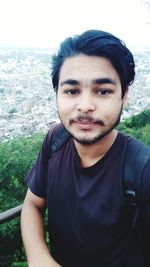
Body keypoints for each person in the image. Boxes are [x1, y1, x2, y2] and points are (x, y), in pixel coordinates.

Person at [21, 29, 150, 267]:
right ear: (56, 94)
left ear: (125, 95)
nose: (85, 106)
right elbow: (32, 204)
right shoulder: (56, 139)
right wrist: (40, 258)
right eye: (71, 91)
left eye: (103, 91)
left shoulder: (142, 169)